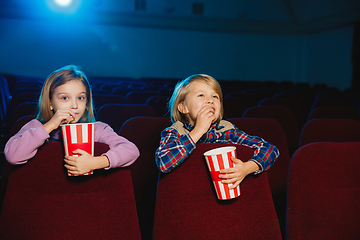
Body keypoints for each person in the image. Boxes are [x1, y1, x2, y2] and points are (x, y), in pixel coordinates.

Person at [5, 65, 139, 175]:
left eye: (80, 98)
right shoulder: (35, 127)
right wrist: (50, 126)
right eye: (64, 98)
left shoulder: (97, 129)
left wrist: (96, 162)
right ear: (50, 103)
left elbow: (131, 151)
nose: (74, 105)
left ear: (87, 103)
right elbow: (12, 156)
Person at [155, 74, 279, 189]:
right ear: (183, 107)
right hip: (188, 198)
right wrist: (199, 130)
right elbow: (163, 162)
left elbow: (270, 149)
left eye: (215, 96)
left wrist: (247, 168)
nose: (210, 100)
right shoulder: (175, 132)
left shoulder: (227, 130)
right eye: (201, 95)